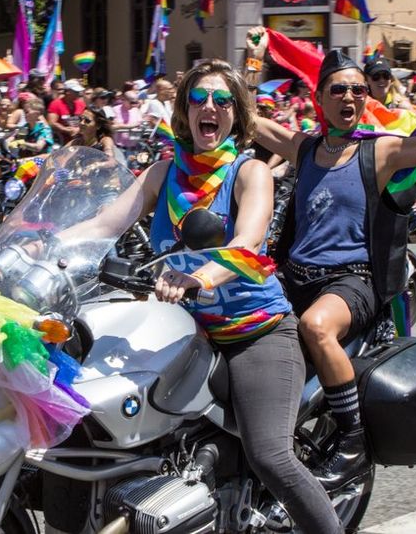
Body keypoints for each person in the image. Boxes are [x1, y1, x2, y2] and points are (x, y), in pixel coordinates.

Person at [47, 59, 344, 532]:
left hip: (254, 331)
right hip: (182, 328)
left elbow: (248, 243)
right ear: (184, 111)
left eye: (223, 100)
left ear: (236, 113)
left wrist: (198, 277)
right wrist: (39, 245)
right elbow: (104, 224)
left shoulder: (249, 173)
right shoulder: (163, 173)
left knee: (271, 456)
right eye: (199, 98)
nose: (211, 107)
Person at [245, 27, 416, 490]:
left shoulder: (379, 150)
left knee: (316, 327)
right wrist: (253, 60)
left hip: (352, 281)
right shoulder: (305, 147)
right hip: (294, 275)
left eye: (358, 89)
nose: (350, 96)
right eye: (338, 88)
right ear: (319, 97)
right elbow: (246, 120)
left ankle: (353, 439)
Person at [47, 79, 86, 144]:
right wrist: (66, 130)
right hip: (62, 142)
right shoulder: (55, 104)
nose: (78, 93)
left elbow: (86, 118)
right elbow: (51, 123)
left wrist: (79, 129)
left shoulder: (81, 104)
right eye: (75, 91)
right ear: (68, 92)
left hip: (80, 141)